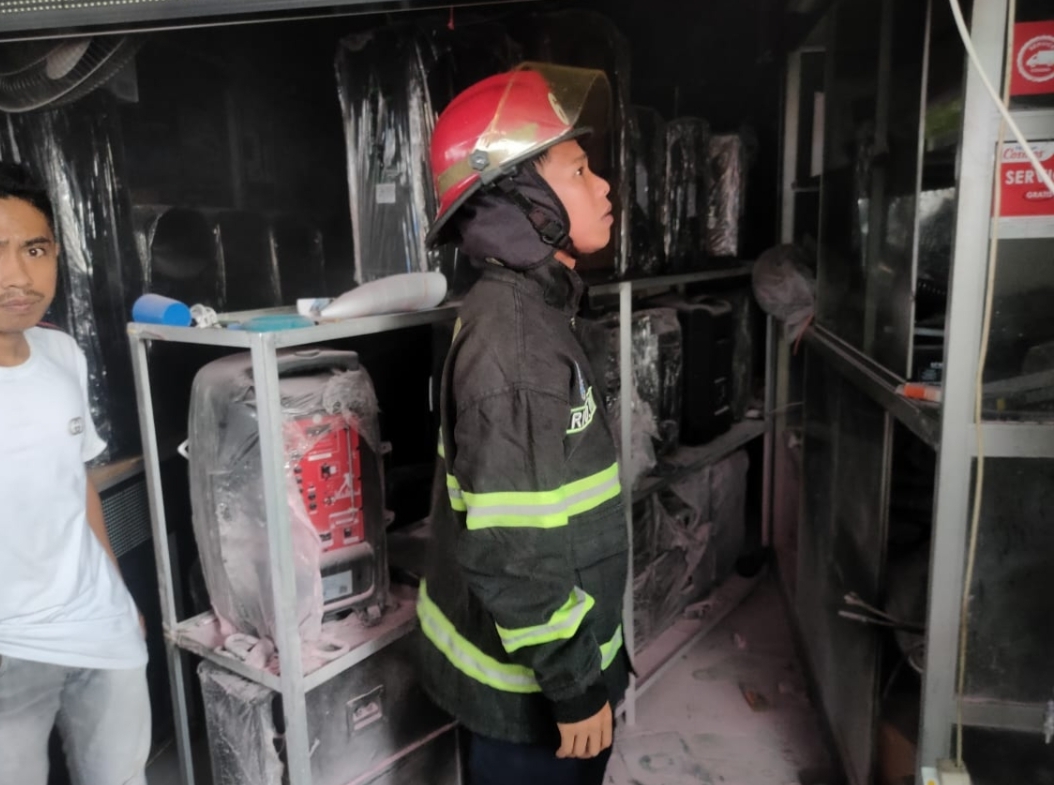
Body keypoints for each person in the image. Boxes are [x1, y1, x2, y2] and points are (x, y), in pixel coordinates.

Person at [416, 64, 629, 785]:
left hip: (555, 665)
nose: (603, 187)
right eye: (579, 171)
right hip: (530, 695)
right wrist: (575, 686)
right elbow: (512, 549)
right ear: (521, 200)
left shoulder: (538, 310)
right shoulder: (513, 344)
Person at [0, 163, 151, 785]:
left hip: (99, 626)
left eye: (34, 250)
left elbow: (77, 477)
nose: (18, 277)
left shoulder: (62, 352)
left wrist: (116, 590)